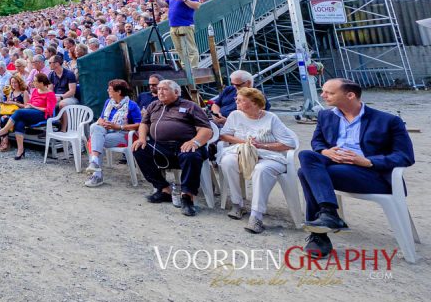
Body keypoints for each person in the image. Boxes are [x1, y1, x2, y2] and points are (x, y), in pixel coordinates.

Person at [297, 79, 415, 259]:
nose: (323, 95)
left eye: (329, 92)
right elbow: (317, 142)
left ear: (350, 95)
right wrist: (325, 151)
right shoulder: (325, 116)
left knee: (304, 172)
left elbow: (405, 156)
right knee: (306, 156)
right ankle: (328, 213)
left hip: (370, 174)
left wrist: (367, 161)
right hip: (335, 165)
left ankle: (319, 236)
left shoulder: (389, 121)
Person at [217, 87, 297, 234]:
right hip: (243, 152)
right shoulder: (235, 115)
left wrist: (262, 145)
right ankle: (237, 203)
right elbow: (225, 136)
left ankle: (256, 215)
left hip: (269, 155)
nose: (236, 102)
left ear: (254, 103)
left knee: (261, 170)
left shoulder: (271, 118)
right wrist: (245, 142)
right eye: (237, 99)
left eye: (241, 100)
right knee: (228, 161)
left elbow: (289, 143)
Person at [131, 80, 212, 216]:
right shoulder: (154, 105)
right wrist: (142, 138)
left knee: (191, 155)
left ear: (176, 92)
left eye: (164, 89)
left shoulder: (190, 106)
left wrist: (195, 142)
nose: (160, 92)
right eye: (159, 89)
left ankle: (187, 197)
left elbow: (206, 129)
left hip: (185, 145)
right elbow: (144, 124)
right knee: (139, 149)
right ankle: (163, 189)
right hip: (161, 147)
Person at [84, 79, 142, 187]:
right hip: (106, 131)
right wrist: (103, 122)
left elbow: (140, 124)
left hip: (124, 134)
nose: (107, 91)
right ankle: (95, 163)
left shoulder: (132, 105)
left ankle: (97, 174)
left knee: (95, 141)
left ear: (119, 92)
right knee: (96, 129)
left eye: (110, 89)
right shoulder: (108, 102)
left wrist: (119, 126)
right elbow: (101, 119)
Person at [0, 73, 56, 160]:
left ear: (41, 83)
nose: (33, 82)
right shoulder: (35, 91)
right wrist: (28, 106)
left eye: (35, 81)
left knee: (19, 112)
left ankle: (4, 130)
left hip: (43, 115)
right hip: (32, 112)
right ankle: (20, 150)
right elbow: (31, 103)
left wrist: (33, 107)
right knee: (19, 122)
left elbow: (49, 110)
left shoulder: (50, 94)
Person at [165, 0, 201, 71]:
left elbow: (197, 6)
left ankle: (193, 68)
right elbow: (164, 4)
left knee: (190, 49)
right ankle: (185, 67)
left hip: (185, 25)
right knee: (179, 49)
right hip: (173, 26)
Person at [0, 75, 30, 152]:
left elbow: (26, 106)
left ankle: (5, 142)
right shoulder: (11, 92)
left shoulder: (24, 92)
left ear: (19, 83)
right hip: (8, 111)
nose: (13, 84)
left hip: (18, 113)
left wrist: (15, 103)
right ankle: (3, 139)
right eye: (12, 83)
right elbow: (9, 102)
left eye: (15, 82)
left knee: (4, 119)